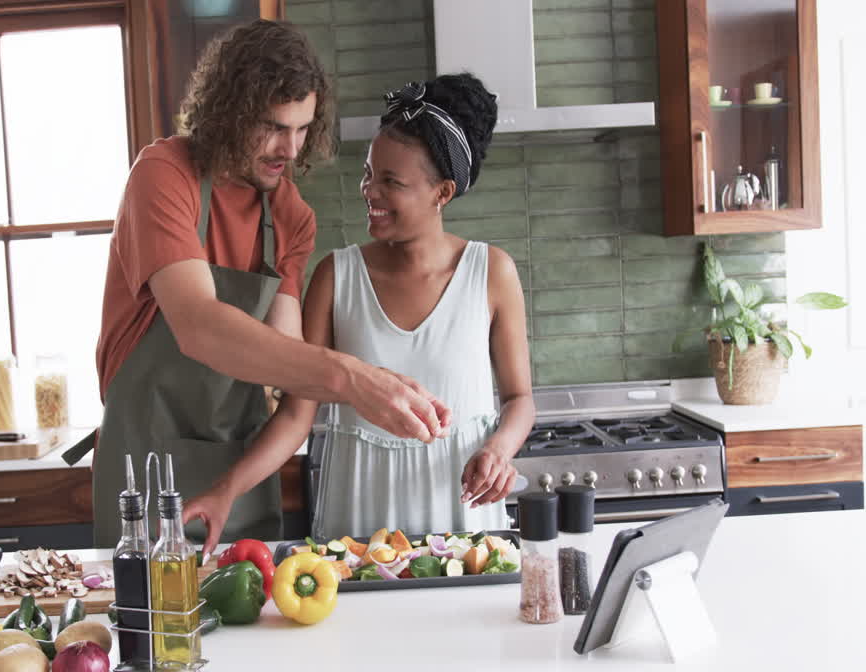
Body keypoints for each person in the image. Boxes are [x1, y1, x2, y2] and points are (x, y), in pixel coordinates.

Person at [64, 20, 450, 548]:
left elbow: (289, 363)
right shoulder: (164, 175)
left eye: (302, 128)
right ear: (229, 112)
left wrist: (385, 386)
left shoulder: (290, 216)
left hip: (241, 475)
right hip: (146, 474)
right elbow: (198, 325)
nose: (290, 149)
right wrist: (353, 378)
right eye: (272, 127)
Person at [184, 73, 536, 551]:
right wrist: (227, 491)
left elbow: (519, 399)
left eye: (391, 181)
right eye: (370, 174)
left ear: (442, 193)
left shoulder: (491, 273)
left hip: (460, 513)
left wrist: (498, 450)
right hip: (356, 521)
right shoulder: (337, 276)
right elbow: (295, 416)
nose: (370, 191)